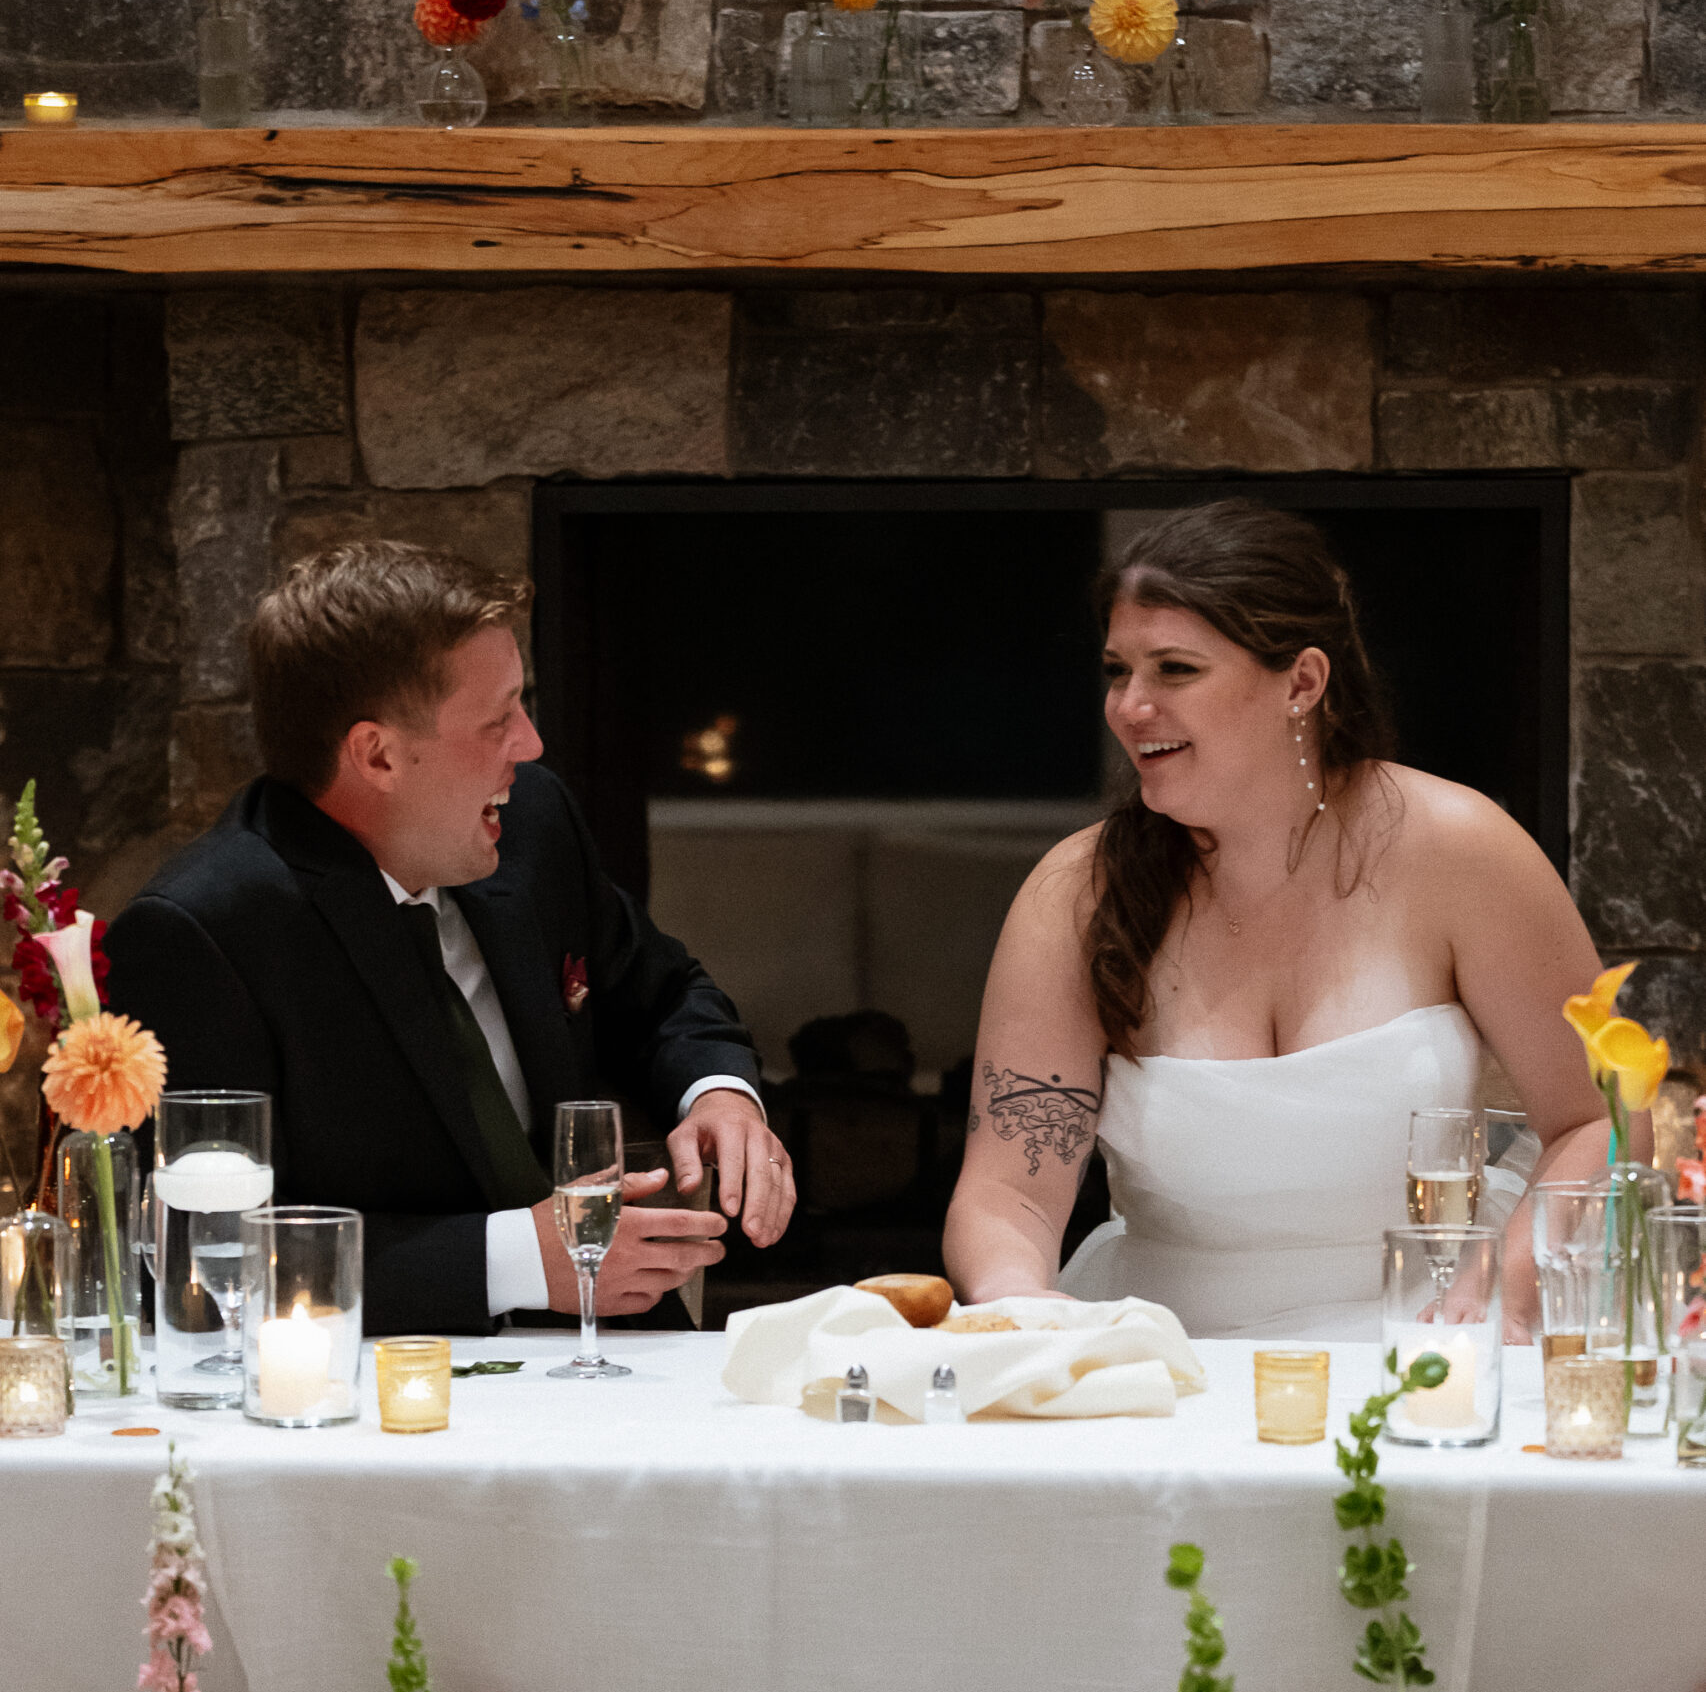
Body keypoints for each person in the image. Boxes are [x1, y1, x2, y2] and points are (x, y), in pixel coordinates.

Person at [943, 499, 1619, 1342]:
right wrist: (1021, 1300)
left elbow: (1600, 1118)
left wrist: (1510, 1285)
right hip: (1168, 1355)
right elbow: (1008, 1190)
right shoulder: (1078, 891)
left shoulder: (1459, 848)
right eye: (1119, 670)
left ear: (1301, 682)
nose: (1129, 705)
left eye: (1175, 670)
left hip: (1441, 1342)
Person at [105, 540, 794, 1335]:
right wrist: (518, 1259)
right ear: (379, 755)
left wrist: (720, 1094)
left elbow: (665, 989)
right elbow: (207, 1260)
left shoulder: (532, 824)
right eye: (497, 720)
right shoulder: (200, 933)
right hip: (375, 1389)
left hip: (614, 1350)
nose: (530, 745)